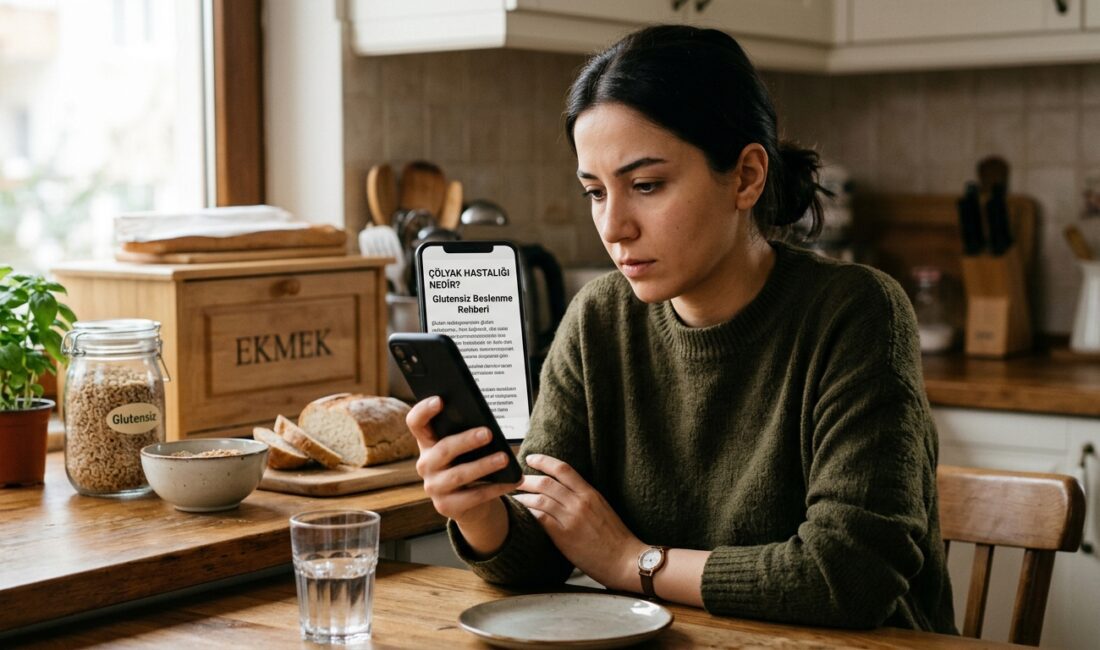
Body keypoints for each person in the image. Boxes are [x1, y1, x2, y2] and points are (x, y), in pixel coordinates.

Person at [406, 24, 957, 633]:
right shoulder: (597, 319)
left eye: (646, 186)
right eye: (595, 192)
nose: (614, 226)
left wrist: (630, 561)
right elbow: (543, 548)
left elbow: (848, 575)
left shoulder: (857, 313)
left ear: (747, 176)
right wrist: (479, 509)